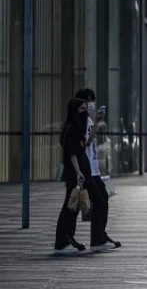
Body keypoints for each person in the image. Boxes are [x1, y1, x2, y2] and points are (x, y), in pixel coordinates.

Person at [74, 88, 120, 250]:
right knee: (99, 202)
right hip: (87, 172)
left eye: (92, 101)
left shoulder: (87, 119)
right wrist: (97, 121)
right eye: (88, 101)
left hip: (93, 171)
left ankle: (99, 236)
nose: (91, 104)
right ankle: (97, 239)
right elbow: (85, 142)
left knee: (102, 201)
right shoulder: (81, 120)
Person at [54, 99, 94, 254]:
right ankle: (62, 241)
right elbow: (72, 154)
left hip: (77, 173)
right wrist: (78, 172)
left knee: (73, 206)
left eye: (86, 109)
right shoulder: (71, 129)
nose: (85, 112)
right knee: (69, 206)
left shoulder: (76, 128)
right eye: (82, 109)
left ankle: (69, 237)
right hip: (74, 174)